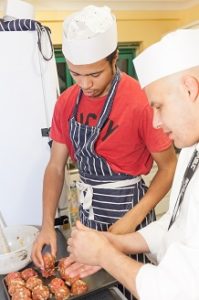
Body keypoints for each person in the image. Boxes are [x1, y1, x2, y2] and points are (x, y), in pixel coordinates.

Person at [31, 6, 176, 298]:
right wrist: (46, 225)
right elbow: (56, 167)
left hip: (129, 210)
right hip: (87, 213)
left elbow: (169, 167)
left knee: (126, 288)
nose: (85, 85)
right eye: (75, 74)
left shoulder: (140, 100)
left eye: (94, 74)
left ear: (114, 59)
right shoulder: (66, 103)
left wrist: (130, 222)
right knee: (93, 289)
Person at [66, 28, 199, 300]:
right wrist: (111, 242)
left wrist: (105, 254)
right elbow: (173, 227)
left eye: (159, 106)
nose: (156, 122)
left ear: (190, 89)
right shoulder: (191, 149)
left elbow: (178, 290)